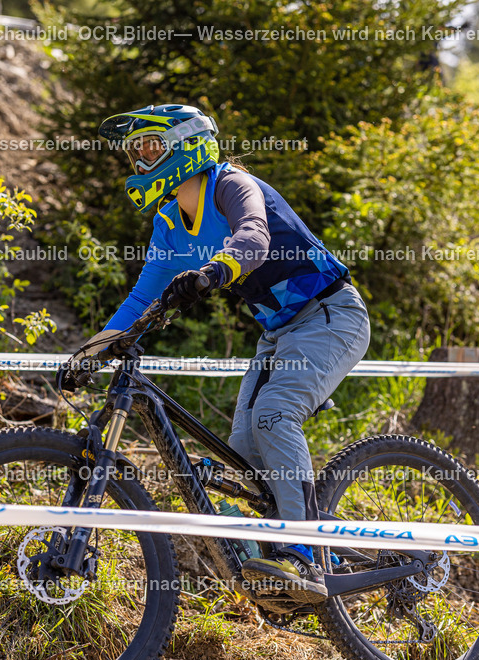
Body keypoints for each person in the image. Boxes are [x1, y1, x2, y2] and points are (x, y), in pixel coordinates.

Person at [65, 104, 371, 603]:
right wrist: (90, 352)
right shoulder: (169, 224)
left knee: (273, 417)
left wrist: (212, 271)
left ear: (187, 144)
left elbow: (253, 235)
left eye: (149, 147)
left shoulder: (229, 185)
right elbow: (142, 299)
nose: (140, 161)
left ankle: (304, 555)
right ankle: (281, 562)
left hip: (331, 314)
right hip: (279, 335)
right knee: (244, 450)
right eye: (134, 152)